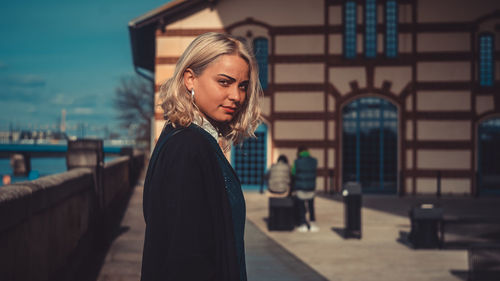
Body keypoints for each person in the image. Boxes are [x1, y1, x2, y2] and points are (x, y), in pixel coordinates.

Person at [141, 32, 262, 281]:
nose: (237, 96)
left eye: (242, 86)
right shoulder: (188, 146)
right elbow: (186, 260)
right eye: (224, 82)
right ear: (190, 79)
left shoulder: (188, 139)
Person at [292, 146, 319, 232]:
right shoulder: (314, 161)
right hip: (311, 187)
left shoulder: (297, 162)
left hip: (300, 187)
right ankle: (312, 223)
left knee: (301, 207)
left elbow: (293, 173)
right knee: (311, 206)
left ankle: (303, 224)